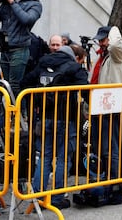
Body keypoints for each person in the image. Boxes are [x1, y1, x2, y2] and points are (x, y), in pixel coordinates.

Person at [20, 45, 89, 209]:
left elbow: (24, 82)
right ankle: (57, 199)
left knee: (44, 157)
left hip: (44, 119)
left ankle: (38, 197)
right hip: (67, 119)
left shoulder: (43, 64)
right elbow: (86, 90)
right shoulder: (74, 67)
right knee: (63, 160)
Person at [89, 26, 122, 179]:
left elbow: (114, 44)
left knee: (110, 148)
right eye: (99, 40)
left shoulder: (117, 54)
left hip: (113, 107)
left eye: (103, 39)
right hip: (101, 106)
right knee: (101, 146)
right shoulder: (101, 57)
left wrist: (114, 28)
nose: (101, 43)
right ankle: (106, 176)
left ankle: (113, 181)